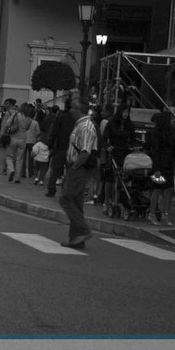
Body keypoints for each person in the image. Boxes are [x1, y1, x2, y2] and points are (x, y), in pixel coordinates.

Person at [59, 97, 98, 249]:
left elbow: (85, 152)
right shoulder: (80, 125)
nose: (71, 110)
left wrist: (73, 168)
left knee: (65, 199)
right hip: (76, 167)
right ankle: (77, 239)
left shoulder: (86, 127)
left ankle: (83, 230)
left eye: (74, 108)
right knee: (76, 202)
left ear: (80, 110)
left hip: (79, 168)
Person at [102, 103, 135, 214]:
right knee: (110, 179)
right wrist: (107, 147)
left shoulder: (129, 125)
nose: (126, 114)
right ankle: (106, 202)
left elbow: (133, 138)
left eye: (127, 112)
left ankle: (119, 201)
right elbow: (104, 138)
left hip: (125, 154)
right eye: (124, 112)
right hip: (113, 153)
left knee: (123, 179)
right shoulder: (112, 123)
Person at [147, 112, 175, 226]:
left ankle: (165, 213)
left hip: (168, 165)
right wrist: (156, 168)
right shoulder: (157, 134)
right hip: (160, 166)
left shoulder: (170, 133)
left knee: (169, 189)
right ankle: (152, 214)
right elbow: (156, 152)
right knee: (157, 189)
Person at [45, 99, 75, 197]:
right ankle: (66, 191)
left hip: (60, 146)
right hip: (73, 148)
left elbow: (54, 132)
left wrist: (50, 144)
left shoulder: (60, 117)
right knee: (70, 170)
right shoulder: (76, 118)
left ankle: (51, 189)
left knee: (55, 169)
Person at [1, 102, 31, 183]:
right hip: (23, 139)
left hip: (13, 137)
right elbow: (27, 128)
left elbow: (7, 124)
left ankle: (11, 169)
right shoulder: (29, 118)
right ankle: (17, 178)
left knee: (9, 156)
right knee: (19, 159)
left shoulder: (16, 115)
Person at [21, 105, 40, 178]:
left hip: (24, 140)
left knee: (23, 158)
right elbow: (38, 132)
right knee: (31, 158)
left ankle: (23, 173)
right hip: (32, 141)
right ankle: (31, 173)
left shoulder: (23, 121)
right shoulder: (35, 123)